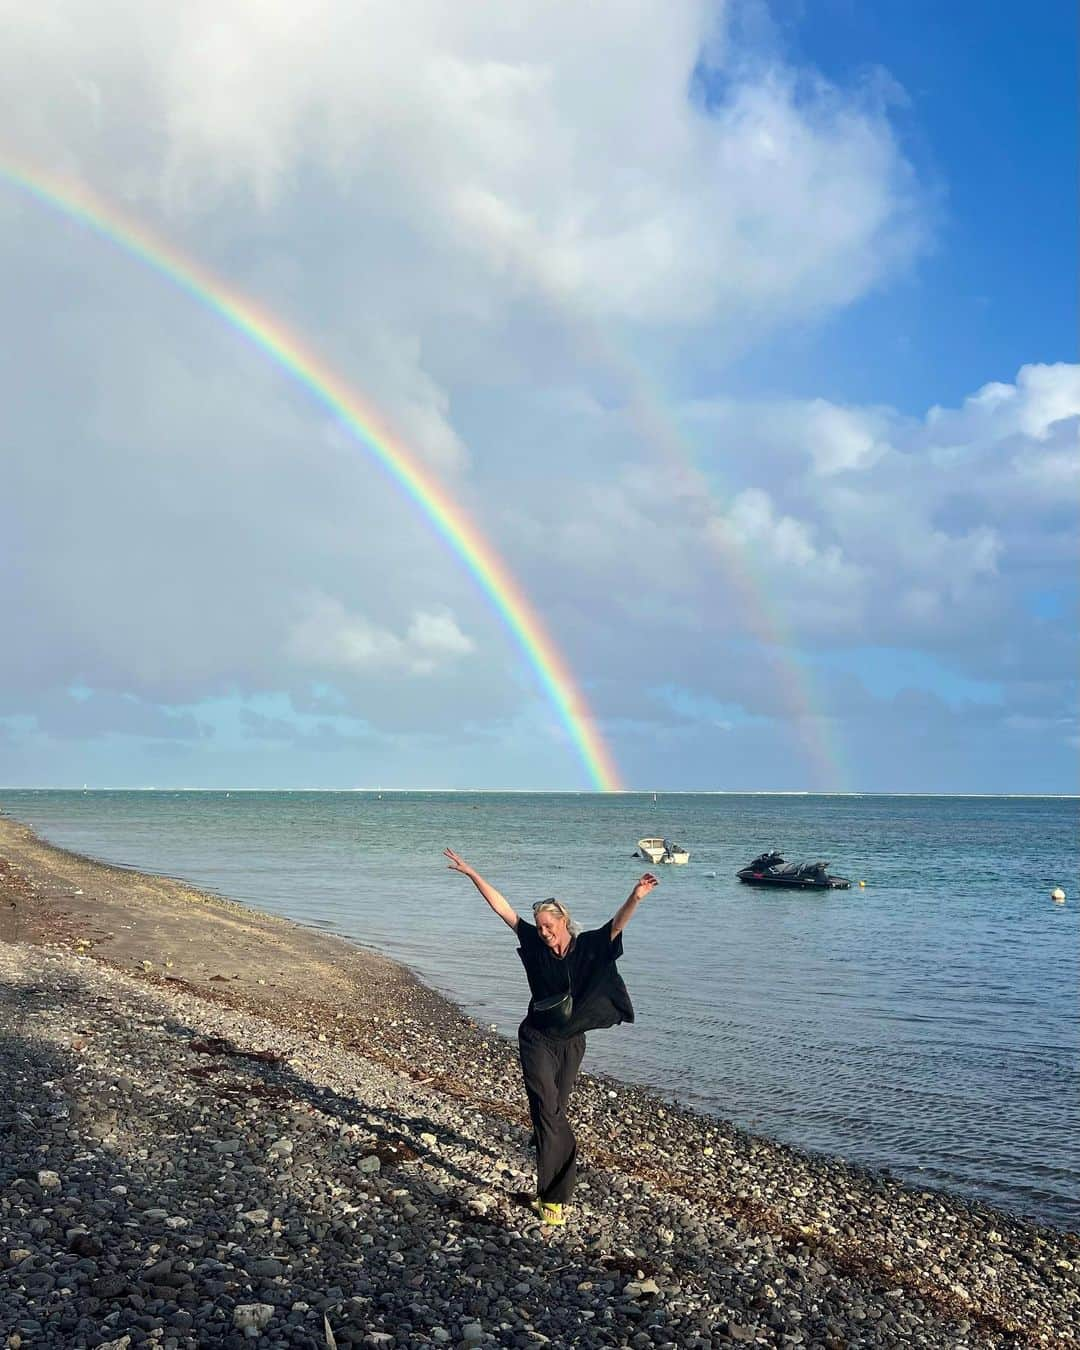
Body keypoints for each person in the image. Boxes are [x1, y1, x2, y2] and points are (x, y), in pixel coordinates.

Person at [444, 847, 658, 1226]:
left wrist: (636, 896)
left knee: (552, 1113)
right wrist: (472, 874)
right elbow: (503, 909)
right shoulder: (532, 943)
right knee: (548, 1113)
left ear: (564, 922)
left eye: (549, 926)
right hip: (537, 1039)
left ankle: (550, 1149)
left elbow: (616, 926)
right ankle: (553, 1197)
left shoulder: (588, 946)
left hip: (572, 1042)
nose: (543, 933)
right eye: (539, 926)